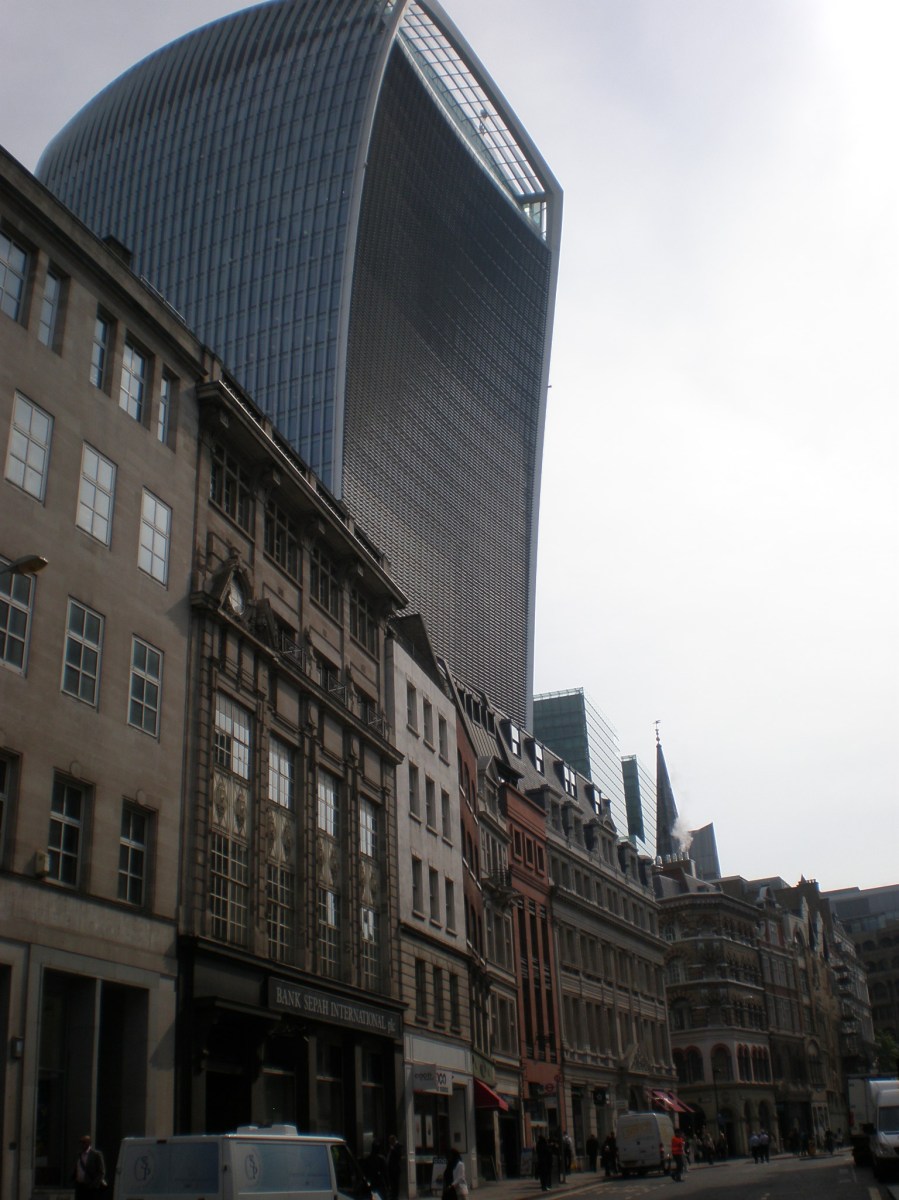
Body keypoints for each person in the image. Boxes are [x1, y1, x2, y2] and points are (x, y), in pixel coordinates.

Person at [73, 1134, 107, 1199]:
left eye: (84, 1142)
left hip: (90, 1187)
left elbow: (101, 1172)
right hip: (79, 1186)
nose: (82, 1144)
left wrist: (94, 1185)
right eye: (81, 1142)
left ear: (89, 1143)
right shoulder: (79, 1155)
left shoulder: (96, 1155)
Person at [386, 1134, 402, 1200]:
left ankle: (395, 1196)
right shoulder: (392, 1146)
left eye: (390, 1141)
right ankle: (393, 1195)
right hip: (391, 1168)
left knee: (395, 1183)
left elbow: (399, 1156)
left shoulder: (398, 1146)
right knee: (392, 1183)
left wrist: (393, 1149)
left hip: (395, 1168)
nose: (390, 1143)